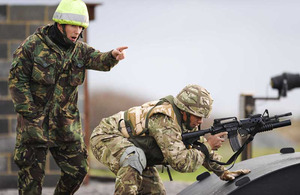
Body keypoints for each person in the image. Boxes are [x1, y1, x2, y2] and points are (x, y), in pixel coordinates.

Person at [8, 0, 127, 194]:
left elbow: (98, 59)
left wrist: (112, 56)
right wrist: (30, 114)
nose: (77, 31)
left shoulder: (79, 50)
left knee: (78, 170)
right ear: (60, 24)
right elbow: (17, 81)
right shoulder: (32, 46)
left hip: (65, 126)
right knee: (30, 182)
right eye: (74, 26)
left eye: (81, 27)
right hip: (33, 125)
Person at [90, 84, 250, 194]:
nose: (200, 121)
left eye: (203, 117)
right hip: (106, 137)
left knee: (156, 192)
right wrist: (208, 146)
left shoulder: (187, 121)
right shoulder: (164, 120)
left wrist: (222, 171)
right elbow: (182, 163)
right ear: (184, 111)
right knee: (133, 159)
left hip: (133, 148)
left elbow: (198, 146)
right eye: (198, 116)